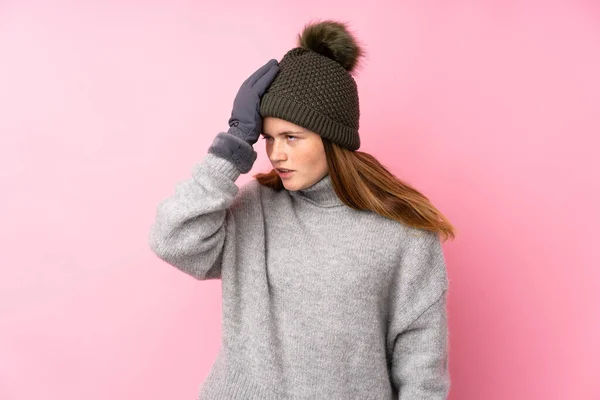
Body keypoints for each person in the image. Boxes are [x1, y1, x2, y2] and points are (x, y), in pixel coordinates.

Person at [148, 19, 456, 400]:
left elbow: (422, 373)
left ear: (332, 139)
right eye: (267, 138)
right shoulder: (254, 208)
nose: (276, 154)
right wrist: (231, 146)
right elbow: (173, 239)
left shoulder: (403, 233)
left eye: (292, 137)